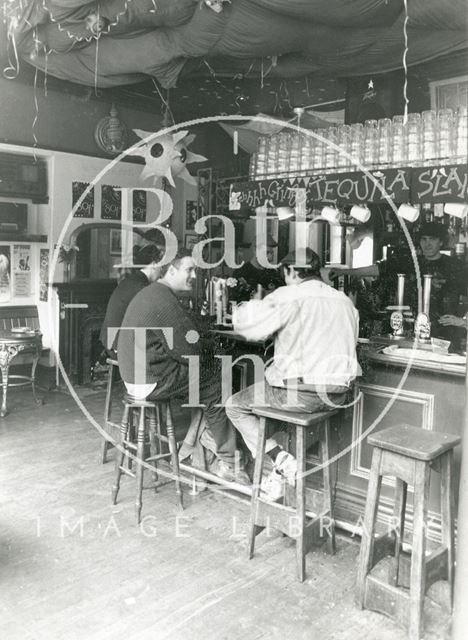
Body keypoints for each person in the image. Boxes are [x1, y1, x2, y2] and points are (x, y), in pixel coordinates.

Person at [226, 248, 360, 500]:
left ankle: (281, 461)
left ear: (290, 271)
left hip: (299, 395)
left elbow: (248, 327)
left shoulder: (289, 295)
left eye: (284, 273)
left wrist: (250, 303)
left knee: (235, 405)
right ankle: (278, 477)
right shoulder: (344, 301)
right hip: (337, 395)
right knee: (276, 407)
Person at [117, 248, 249, 484]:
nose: (194, 276)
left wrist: (204, 344)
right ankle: (229, 462)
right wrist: (214, 349)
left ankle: (198, 443)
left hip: (136, 377)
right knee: (217, 378)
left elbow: (186, 339)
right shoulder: (163, 300)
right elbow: (189, 352)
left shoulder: (154, 293)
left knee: (210, 374)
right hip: (148, 379)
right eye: (189, 269)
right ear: (171, 270)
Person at [328, 222, 466, 340]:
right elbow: (378, 269)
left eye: (432, 239)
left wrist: (463, 321)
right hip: (410, 331)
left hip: (444, 333)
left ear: (441, 241)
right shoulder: (410, 263)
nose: (427, 244)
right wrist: (344, 271)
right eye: (424, 239)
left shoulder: (455, 266)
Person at [100, 244, 162, 354]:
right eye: (161, 266)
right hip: (118, 347)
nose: (161, 271)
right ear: (153, 265)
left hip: (111, 341)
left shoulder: (133, 280)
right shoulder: (141, 286)